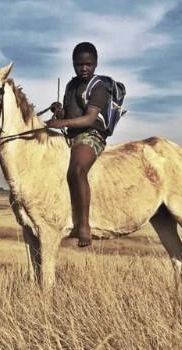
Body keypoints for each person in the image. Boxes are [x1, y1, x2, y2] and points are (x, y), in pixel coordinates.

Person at [45, 42, 109, 247]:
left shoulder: (99, 87)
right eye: (79, 64)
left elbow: (89, 119)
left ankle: (84, 226)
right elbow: (70, 115)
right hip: (71, 136)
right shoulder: (71, 86)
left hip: (91, 135)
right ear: (73, 64)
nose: (84, 68)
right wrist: (59, 111)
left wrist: (60, 123)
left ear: (96, 64)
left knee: (78, 170)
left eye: (88, 64)